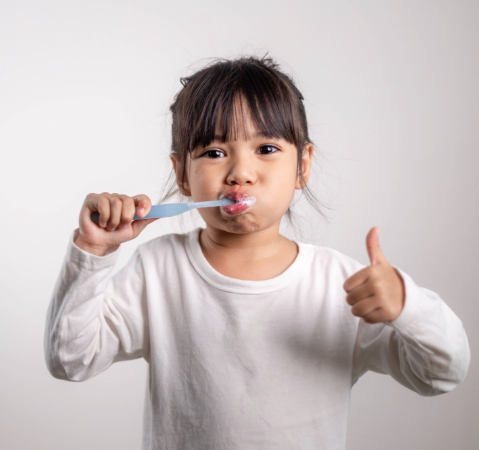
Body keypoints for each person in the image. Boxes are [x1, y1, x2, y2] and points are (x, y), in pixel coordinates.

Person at [43, 55, 470, 450]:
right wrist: (93, 252)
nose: (240, 173)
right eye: (213, 152)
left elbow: (442, 373)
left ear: (302, 166)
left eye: (266, 149)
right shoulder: (157, 270)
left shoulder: (340, 286)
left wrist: (406, 306)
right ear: (182, 175)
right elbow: (71, 360)